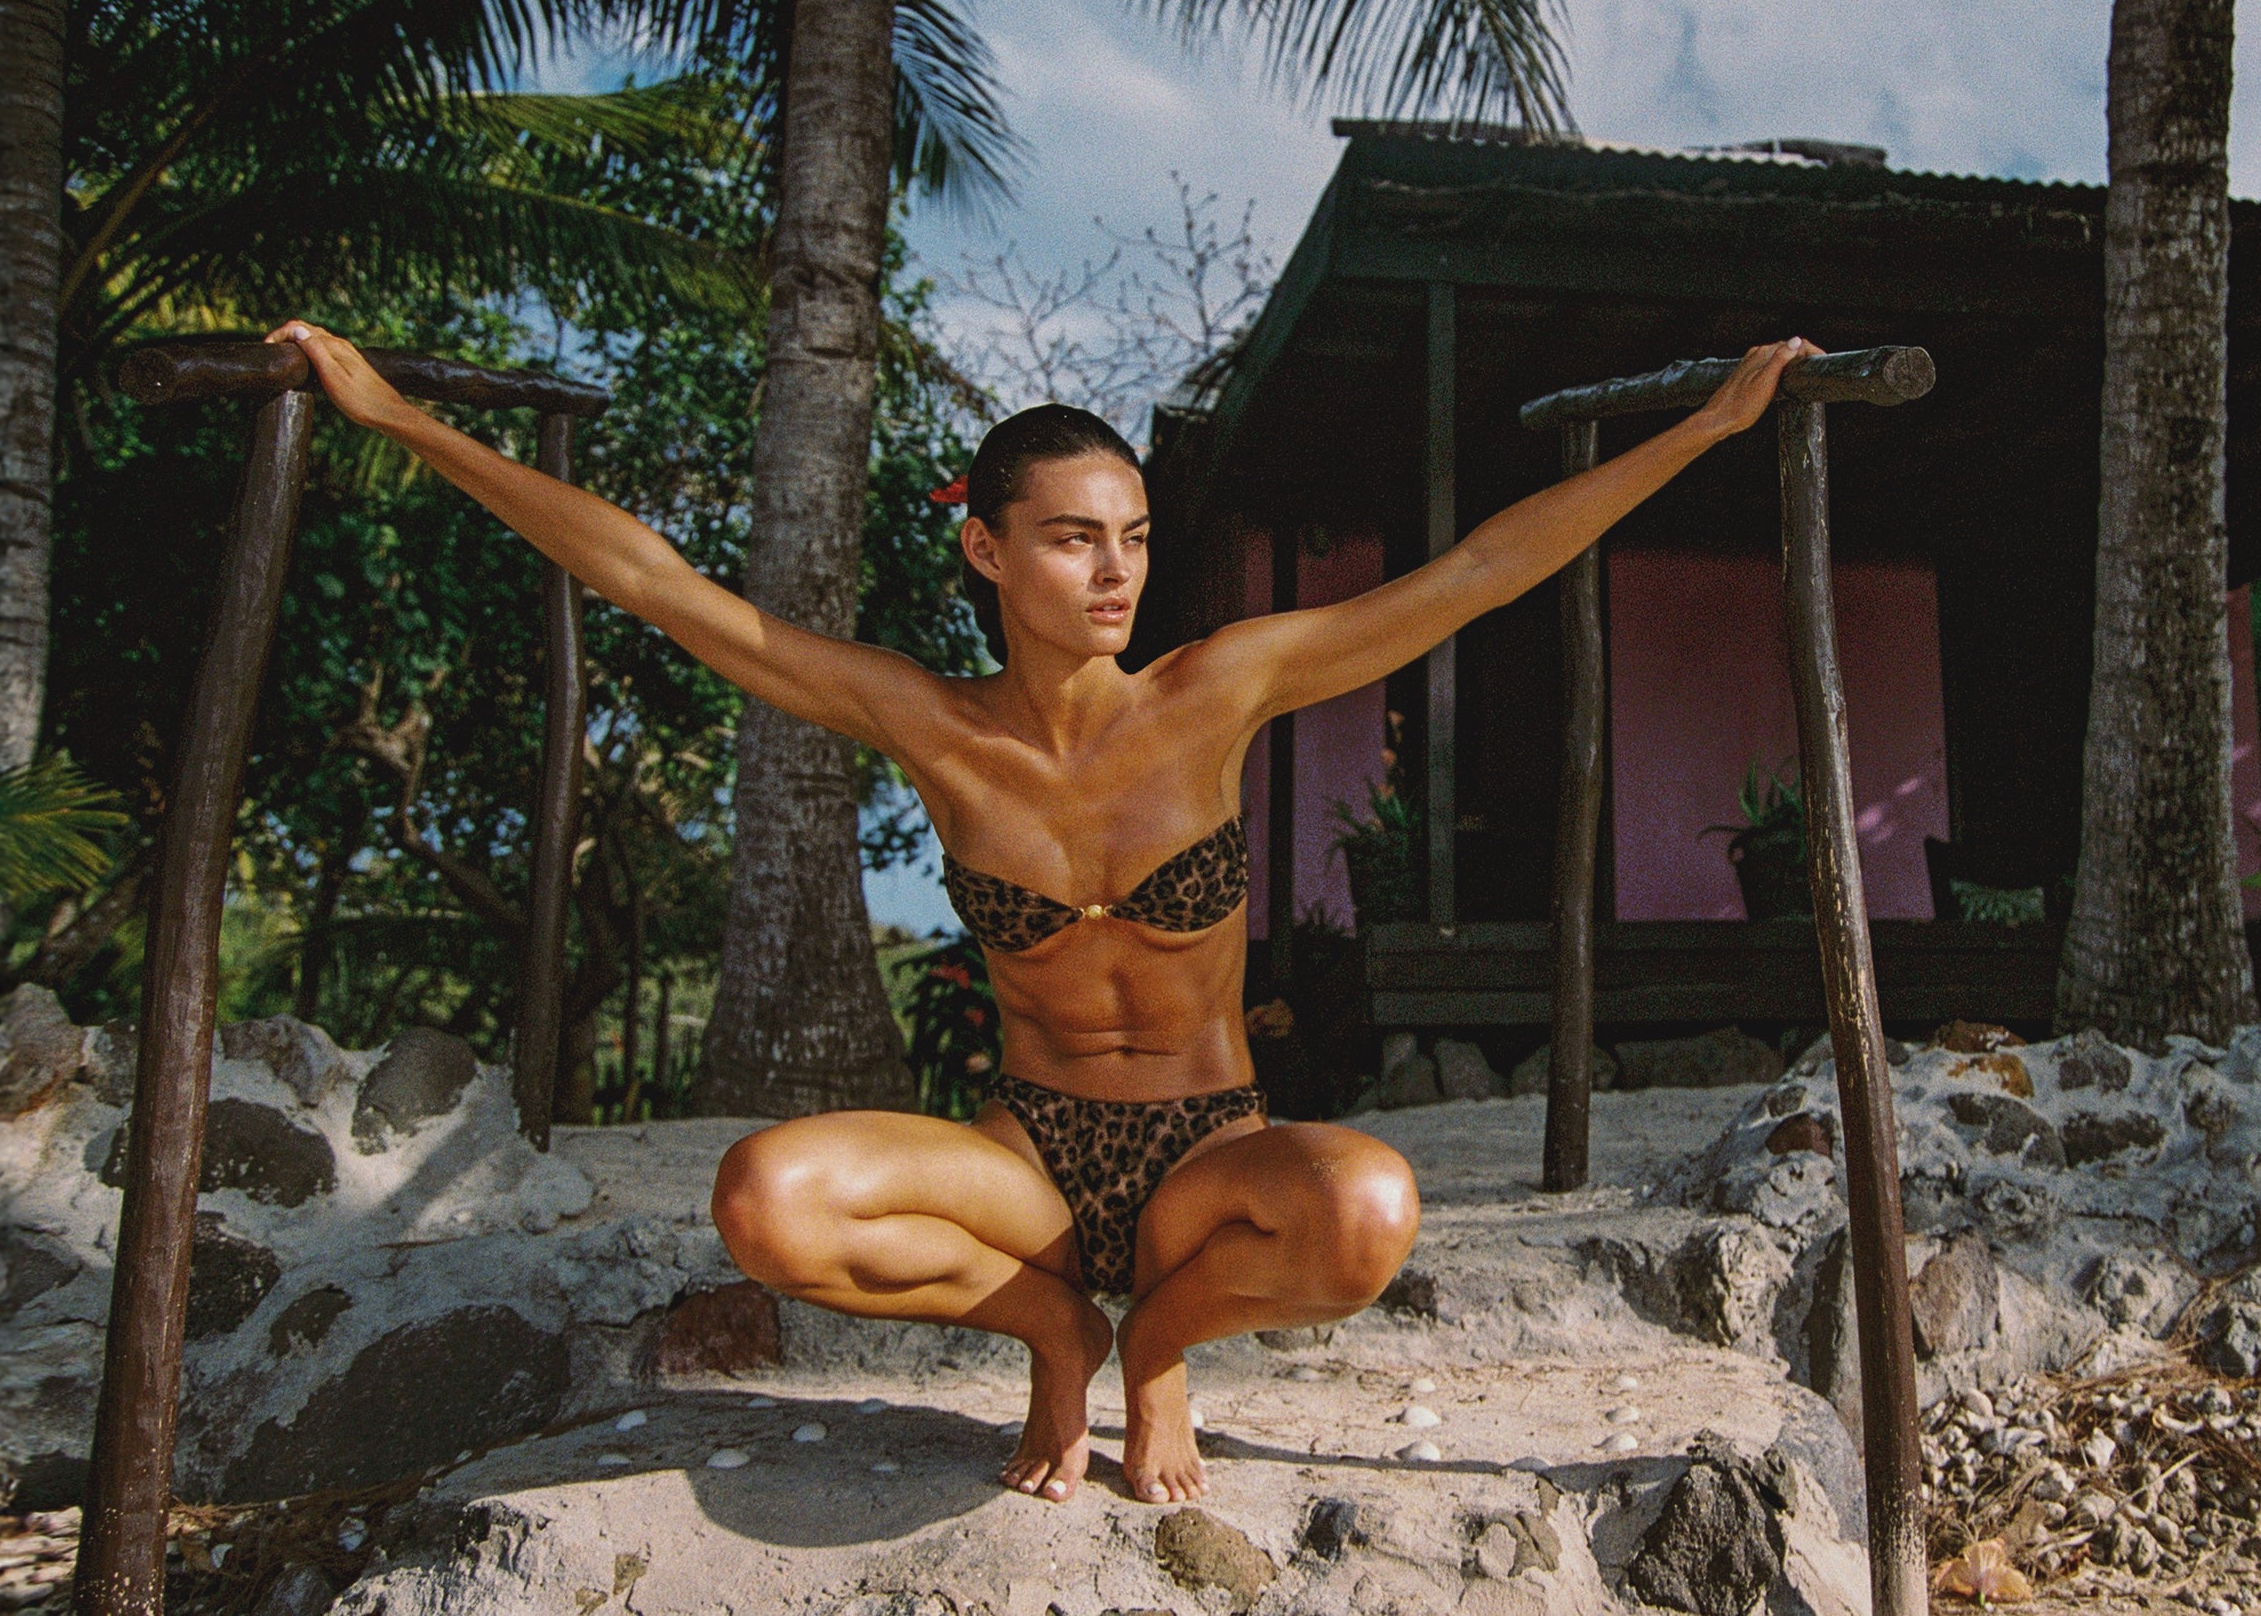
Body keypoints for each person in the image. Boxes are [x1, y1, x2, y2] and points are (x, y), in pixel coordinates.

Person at [265, 319, 1821, 1505]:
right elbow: (660, 586)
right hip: (1029, 1159)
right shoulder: (927, 725)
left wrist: (1705, 425)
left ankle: (1157, 1344)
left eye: (1132, 536)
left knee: (1364, 1213)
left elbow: (1482, 568)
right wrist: (400, 418)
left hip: (1204, 1150)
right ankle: (1057, 1331)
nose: (1113, 571)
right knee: (766, 1198)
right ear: (987, 548)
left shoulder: (1219, 687)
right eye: (1075, 538)